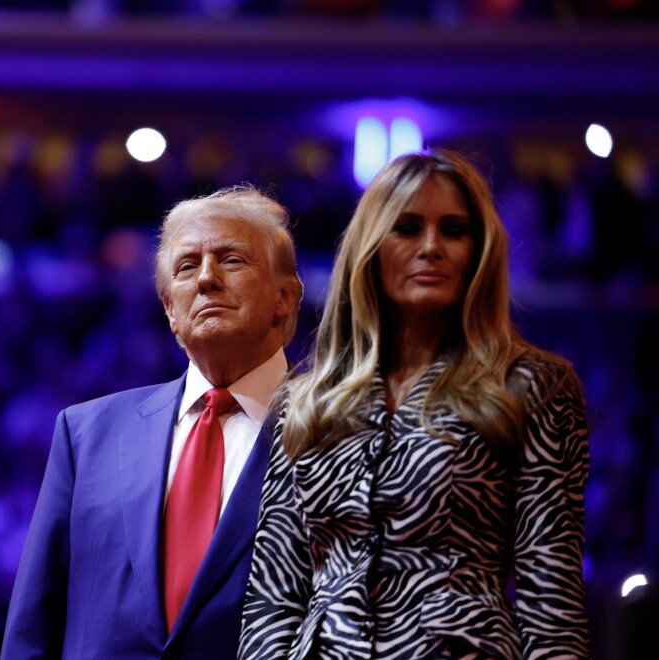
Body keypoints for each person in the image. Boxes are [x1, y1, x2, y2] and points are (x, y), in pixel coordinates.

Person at [239, 150, 591, 659]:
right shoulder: (305, 399)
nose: (432, 247)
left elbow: (551, 599)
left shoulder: (532, 386)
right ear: (371, 247)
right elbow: (274, 596)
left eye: (453, 230)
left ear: (480, 250)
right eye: (406, 228)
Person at [1, 185, 303, 659]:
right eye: (187, 266)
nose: (206, 279)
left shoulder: (341, 435)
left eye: (232, 260)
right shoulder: (85, 435)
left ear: (285, 297)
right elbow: (32, 631)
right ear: (169, 310)